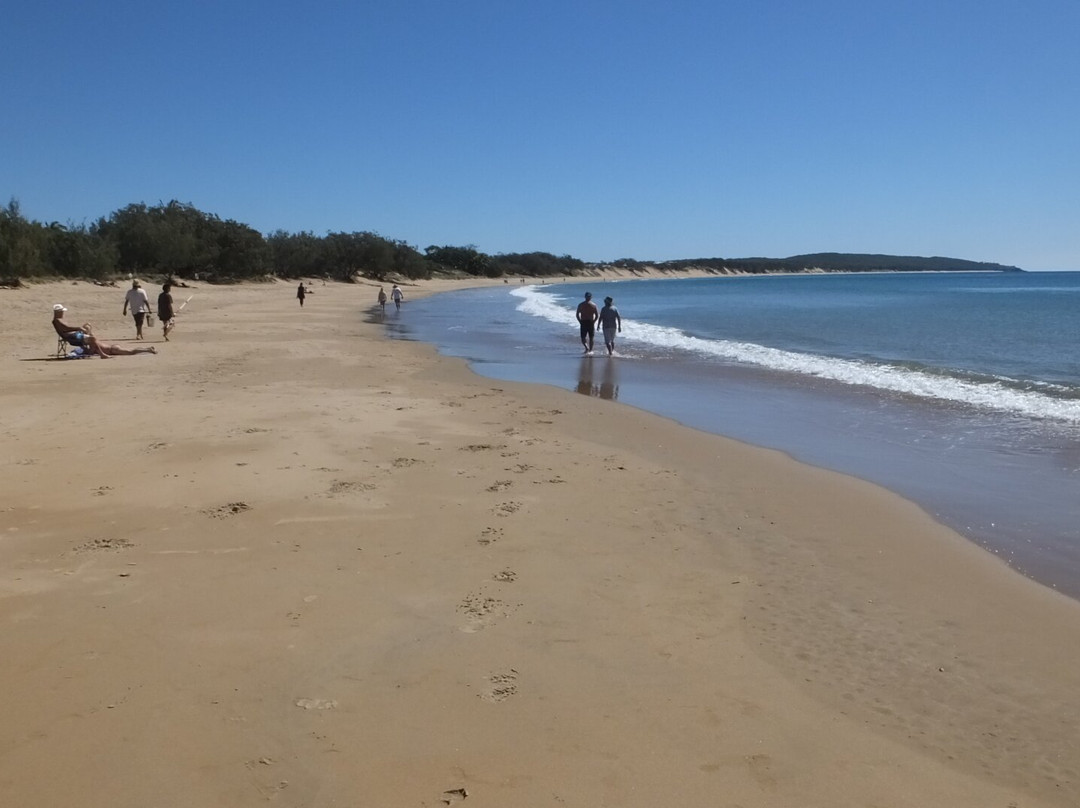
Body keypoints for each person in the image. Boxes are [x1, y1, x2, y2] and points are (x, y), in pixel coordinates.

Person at [52, 304, 156, 357]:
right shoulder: (57, 320)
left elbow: (89, 350)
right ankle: (147, 349)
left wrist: (85, 349)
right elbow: (66, 329)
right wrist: (81, 330)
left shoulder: (92, 347)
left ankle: (147, 349)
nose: (63, 313)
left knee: (131, 351)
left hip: (111, 349)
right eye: (61, 311)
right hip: (110, 348)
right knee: (131, 351)